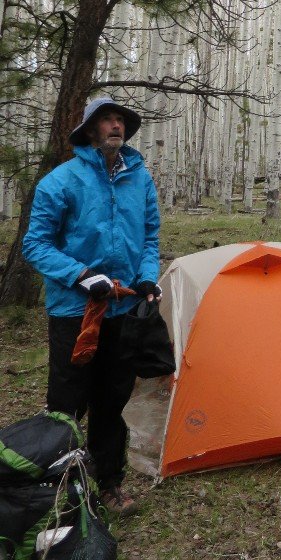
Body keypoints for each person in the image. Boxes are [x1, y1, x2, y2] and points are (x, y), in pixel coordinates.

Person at [22, 97, 162, 518]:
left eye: (120, 120)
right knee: (67, 404)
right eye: (107, 120)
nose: (116, 126)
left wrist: (147, 277)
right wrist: (81, 275)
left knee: (113, 401)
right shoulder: (60, 181)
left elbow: (149, 237)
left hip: (122, 311)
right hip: (74, 312)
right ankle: (57, 489)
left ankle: (110, 482)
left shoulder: (139, 179)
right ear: (89, 131)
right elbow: (36, 245)